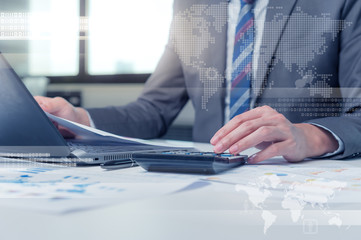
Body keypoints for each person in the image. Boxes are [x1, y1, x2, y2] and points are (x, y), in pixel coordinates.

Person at [35, 0, 361, 164]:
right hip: (208, 181)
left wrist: (307, 137)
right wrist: (81, 120)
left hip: (302, 185)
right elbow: (154, 109)